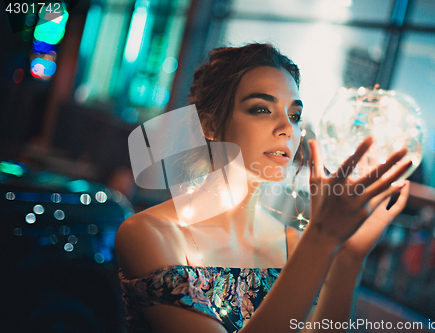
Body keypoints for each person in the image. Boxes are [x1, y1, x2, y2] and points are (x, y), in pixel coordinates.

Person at [115, 43, 412, 333]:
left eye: (294, 116)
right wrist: (321, 239)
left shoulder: (294, 245)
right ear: (209, 125)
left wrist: (348, 258)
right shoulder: (149, 234)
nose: (286, 127)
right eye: (261, 109)